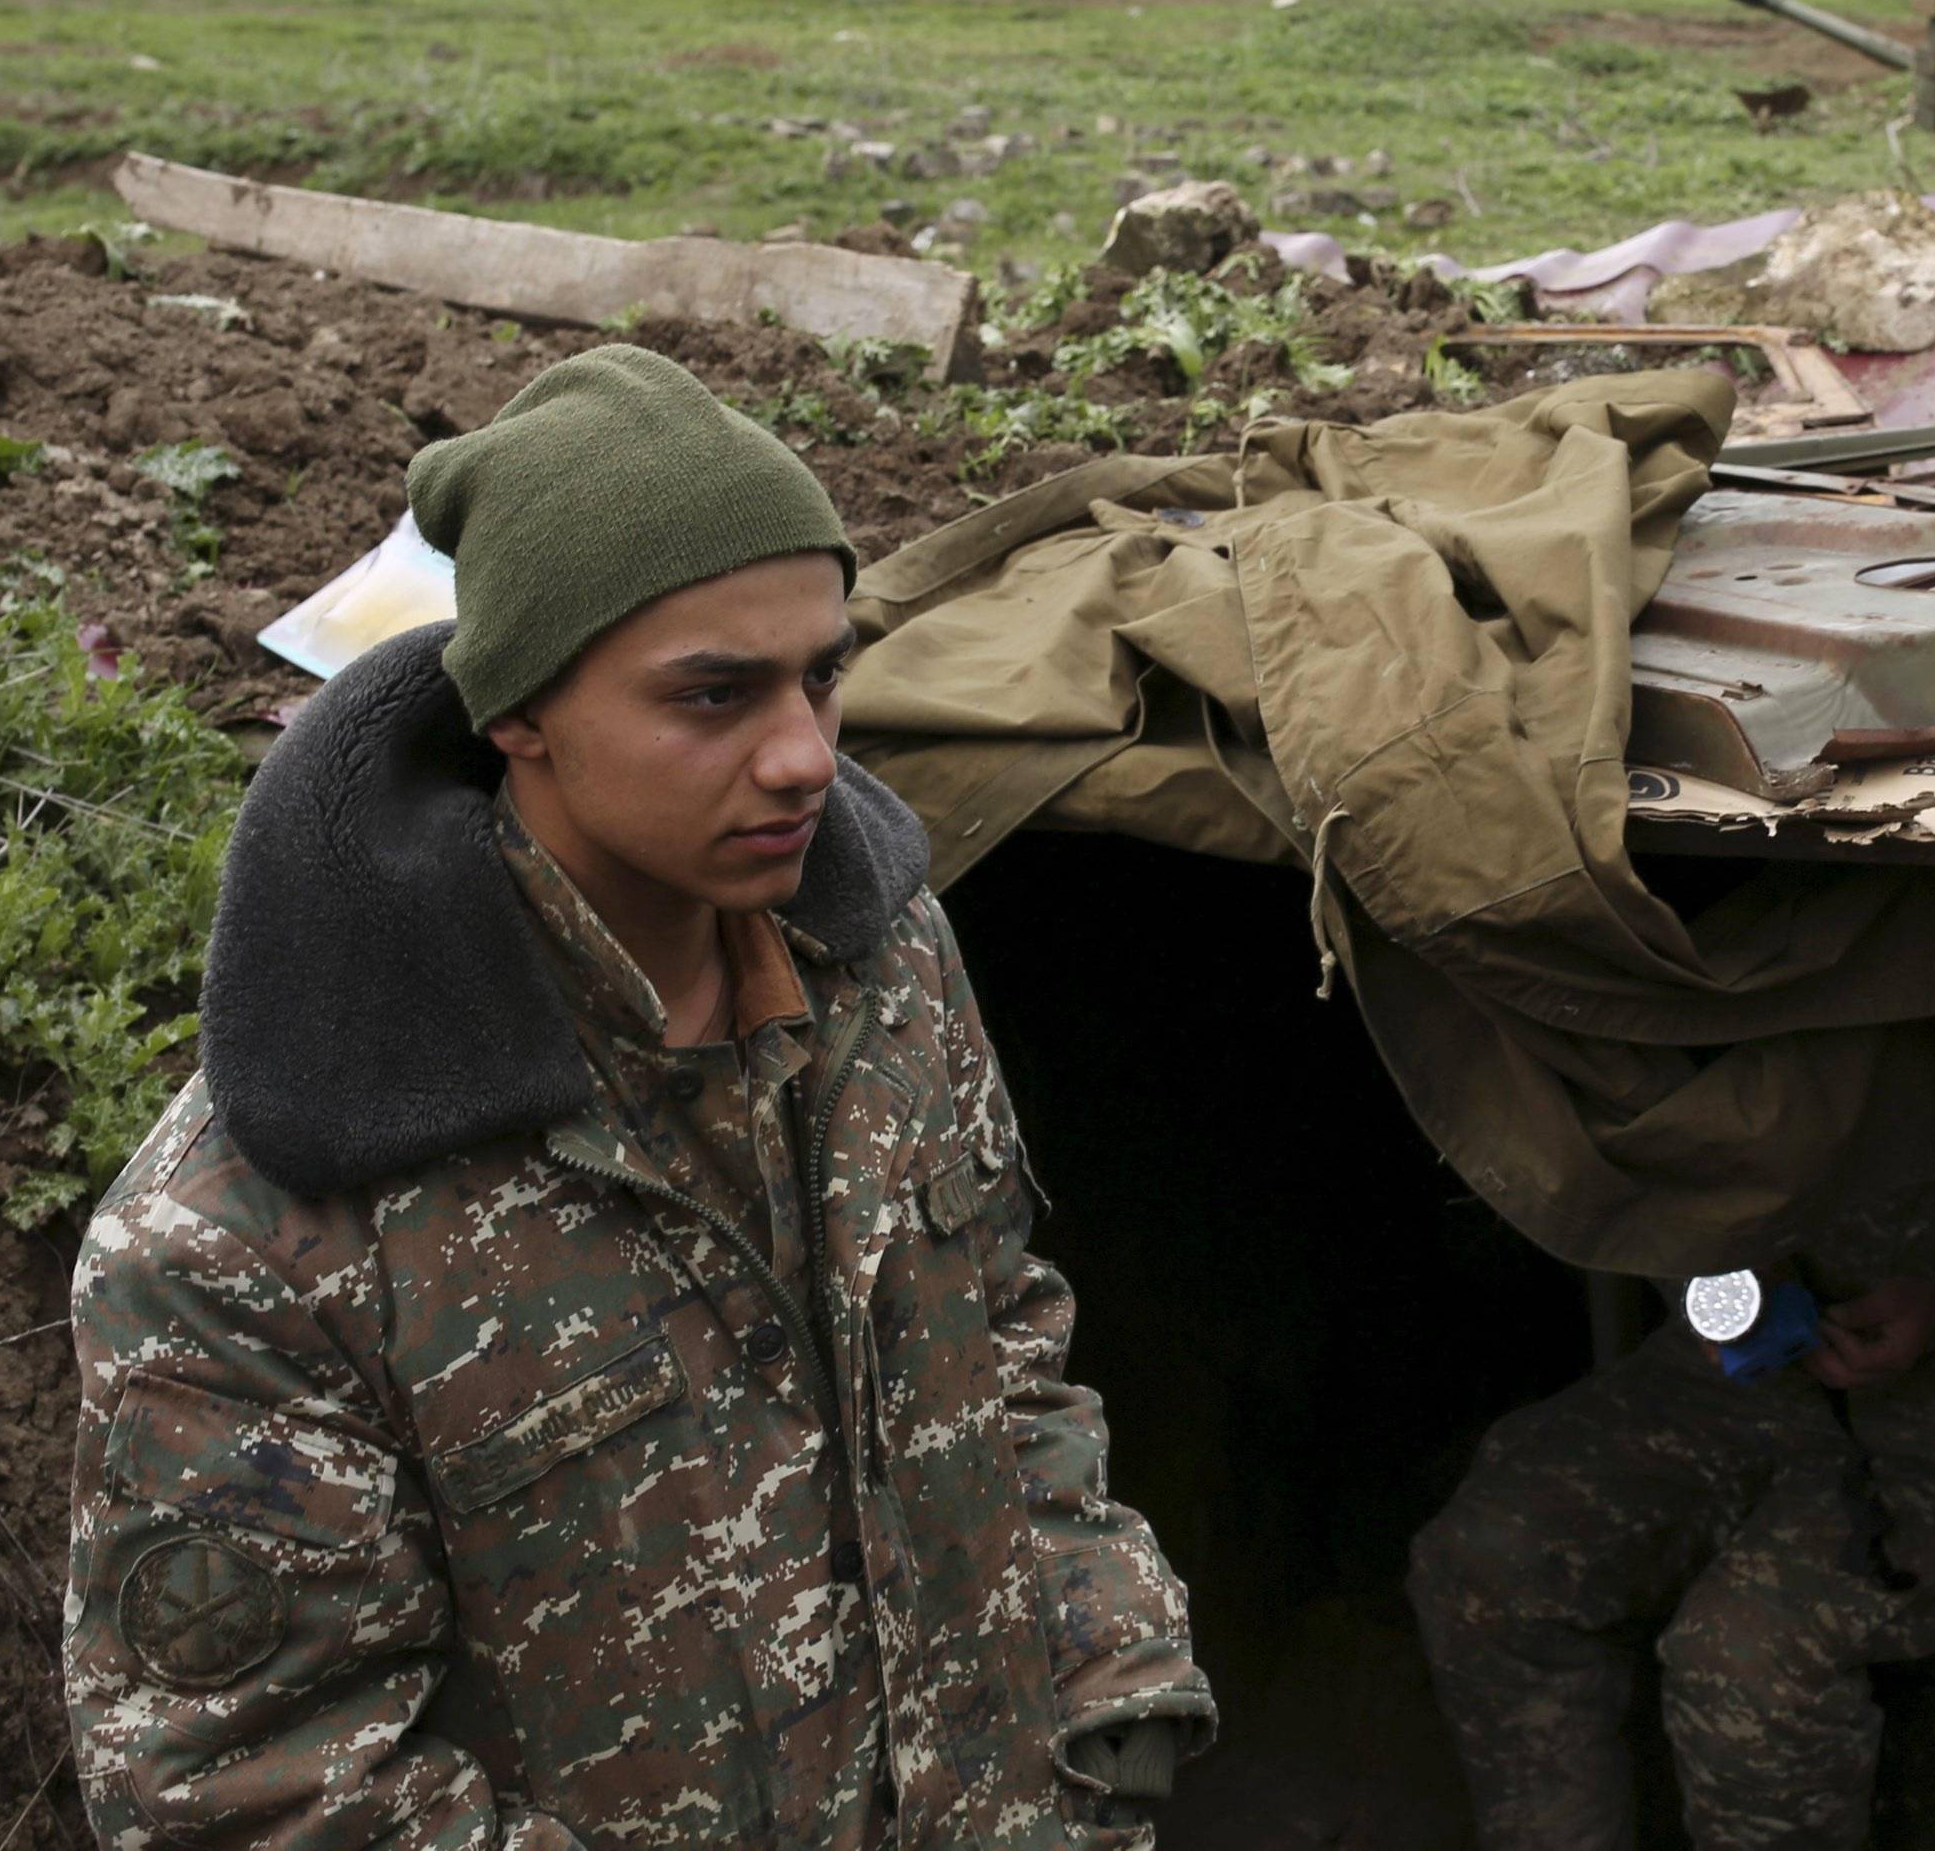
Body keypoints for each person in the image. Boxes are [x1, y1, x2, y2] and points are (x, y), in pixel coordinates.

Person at [62, 347, 1211, 1848]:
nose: (804, 756)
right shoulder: (250, 1233)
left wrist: (1105, 1683)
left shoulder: (884, 969)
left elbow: (996, 1333)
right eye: (714, 697)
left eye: (823, 675)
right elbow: (247, 1792)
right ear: (521, 712)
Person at [1408, 1003, 1935, 1851]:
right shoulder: (1796, 963)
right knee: (1490, 1558)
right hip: (1738, 1380)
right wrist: (1719, 1280)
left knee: (1750, 1662)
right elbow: (1667, 1175)